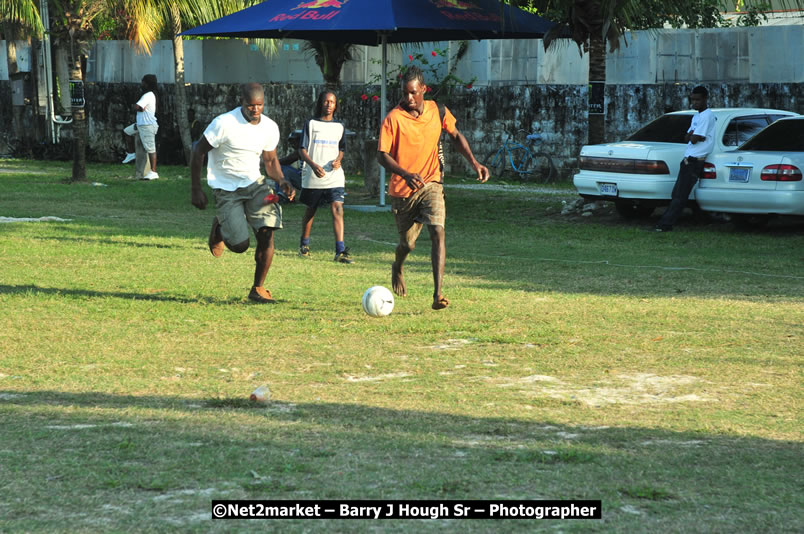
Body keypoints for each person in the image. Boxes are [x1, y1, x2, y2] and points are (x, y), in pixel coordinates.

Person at [377, 66, 489, 310]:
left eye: (413, 93)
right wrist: (405, 174)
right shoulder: (393, 118)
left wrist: (475, 163)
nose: (408, 98)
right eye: (405, 93)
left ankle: (438, 294)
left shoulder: (438, 111)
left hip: (431, 183)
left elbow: (456, 136)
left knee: (438, 230)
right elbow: (382, 155)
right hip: (403, 191)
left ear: (423, 90)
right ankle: (398, 266)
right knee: (407, 245)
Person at [190, 82, 296, 304]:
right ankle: (219, 228)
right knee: (240, 246)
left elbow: (270, 160)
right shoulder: (224, 123)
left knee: (267, 231)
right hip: (226, 188)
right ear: (242, 102)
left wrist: (282, 179)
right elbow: (198, 151)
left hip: (255, 184)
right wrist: (196, 189)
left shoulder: (269, 127)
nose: (255, 109)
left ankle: (258, 288)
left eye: (259, 105)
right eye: (250, 105)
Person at [297, 91, 352, 263]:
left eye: (332, 102)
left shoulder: (339, 126)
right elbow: (302, 149)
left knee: (337, 208)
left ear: (336, 105)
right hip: (314, 176)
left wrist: (338, 160)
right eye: (326, 101)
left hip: (334, 176)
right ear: (321, 103)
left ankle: (340, 251)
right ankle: (304, 245)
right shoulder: (311, 123)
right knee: (311, 209)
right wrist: (313, 165)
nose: (329, 105)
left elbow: (342, 148)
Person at [655, 86, 716, 232]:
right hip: (688, 158)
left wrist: (693, 136)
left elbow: (693, 139)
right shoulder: (696, 116)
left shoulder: (707, 116)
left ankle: (665, 224)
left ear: (705, 99)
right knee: (678, 193)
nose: (694, 103)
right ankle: (702, 219)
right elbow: (687, 137)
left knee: (680, 194)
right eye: (692, 100)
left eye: (697, 100)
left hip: (695, 160)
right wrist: (693, 136)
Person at [122, 74, 159, 180]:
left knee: (151, 149)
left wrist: (134, 106)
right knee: (127, 132)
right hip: (140, 125)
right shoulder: (149, 95)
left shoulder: (148, 95)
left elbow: (139, 107)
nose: (141, 83)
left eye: (143, 81)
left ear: (146, 83)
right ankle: (131, 153)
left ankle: (153, 172)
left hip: (147, 126)